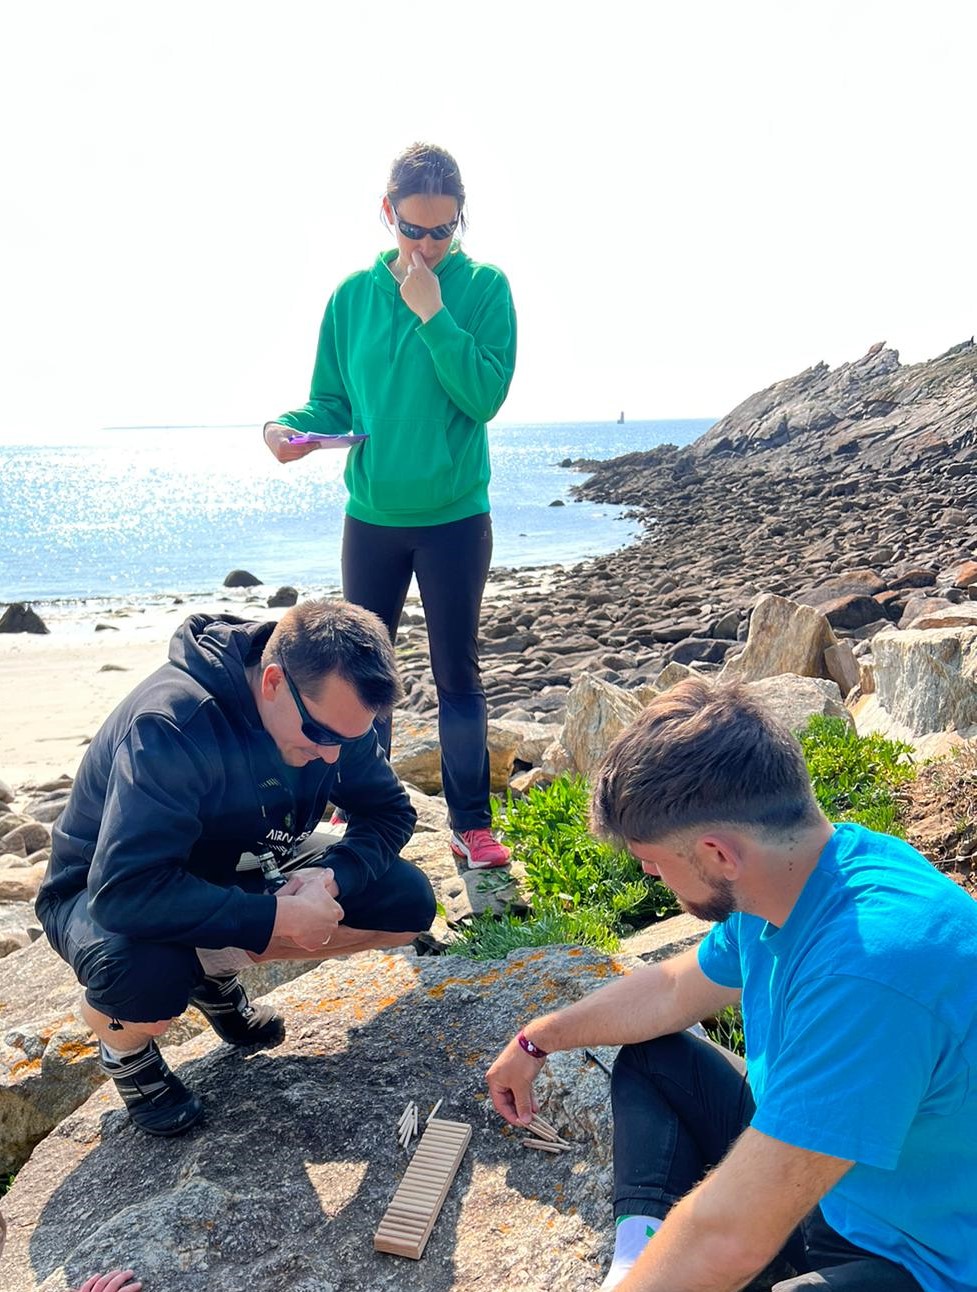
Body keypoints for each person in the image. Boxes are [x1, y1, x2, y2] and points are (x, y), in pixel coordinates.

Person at [486, 678, 977, 1292]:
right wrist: (539, 1039)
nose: (648, 872)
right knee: (654, 1058)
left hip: (923, 1256)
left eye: (653, 860)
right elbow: (671, 991)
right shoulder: (793, 879)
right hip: (840, 1182)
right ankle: (632, 1264)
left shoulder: (874, 966)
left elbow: (730, 1239)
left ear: (718, 854)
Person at [36, 599, 435, 1138]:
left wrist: (331, 876)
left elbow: (388, 812)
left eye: (351, 738)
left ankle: (212, 975)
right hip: (100, 889)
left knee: (405, 903)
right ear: (272, 682)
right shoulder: (172, 724)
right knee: (145, 978)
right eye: (323, 736)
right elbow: (125, 891)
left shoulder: (331, 715)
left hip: (234, 863)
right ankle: (124, 1049)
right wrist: (273, 917)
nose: (334, 757)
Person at [263, 141, 517, 871]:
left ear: (460, 219)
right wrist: (286, 429)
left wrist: (434, 314)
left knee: (456, 674)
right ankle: (364, 812)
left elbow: (484, 396)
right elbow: (329, 399)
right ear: (387, 215)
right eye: (414, 229)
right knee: (358, 676)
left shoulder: (484, 289)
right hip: (371, 516)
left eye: (444, 230)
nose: (429, 246)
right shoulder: (350, 298)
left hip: (454, 519)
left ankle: (471, 826)